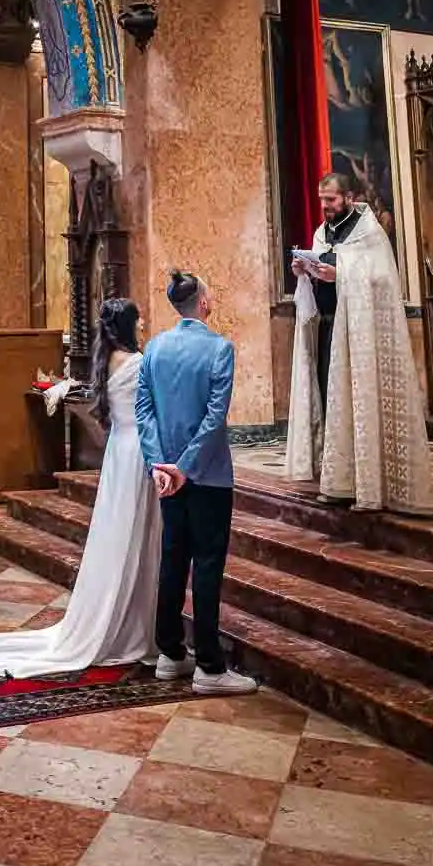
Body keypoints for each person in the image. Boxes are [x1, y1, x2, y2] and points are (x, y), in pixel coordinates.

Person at [0, 297, 161, 675]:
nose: (143, 324)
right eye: (139, 319)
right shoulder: (140, 363)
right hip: (138, 452)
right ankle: (133, 622)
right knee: (135, 535)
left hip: (119, 453)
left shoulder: (105, 360)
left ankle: (124, 613)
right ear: (128, 324)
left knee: (119, 534)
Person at [135, 270, 256, 696]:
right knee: (206, 565)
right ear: (203, 303)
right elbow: (214, 417)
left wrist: (159, 464)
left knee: (173, 559)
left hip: (168, 475)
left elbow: (143, 412)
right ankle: (208, 664)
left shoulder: (154, 348)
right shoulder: (219, 349)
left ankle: (170, 653)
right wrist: (185, 467)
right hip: (207, 477)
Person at [286, 173, 433, 514]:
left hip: (360, 335)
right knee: (331, 402)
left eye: (331, 200)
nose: (325, 207)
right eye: (322, 200)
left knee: (358, 402)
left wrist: (339, 273)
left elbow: (381, 278)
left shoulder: (368, 232)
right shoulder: (322, 233)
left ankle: (365, 482)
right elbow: (323, 270)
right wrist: (305, 271)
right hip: (328, 330)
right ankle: (338, 479)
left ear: (349, 198)